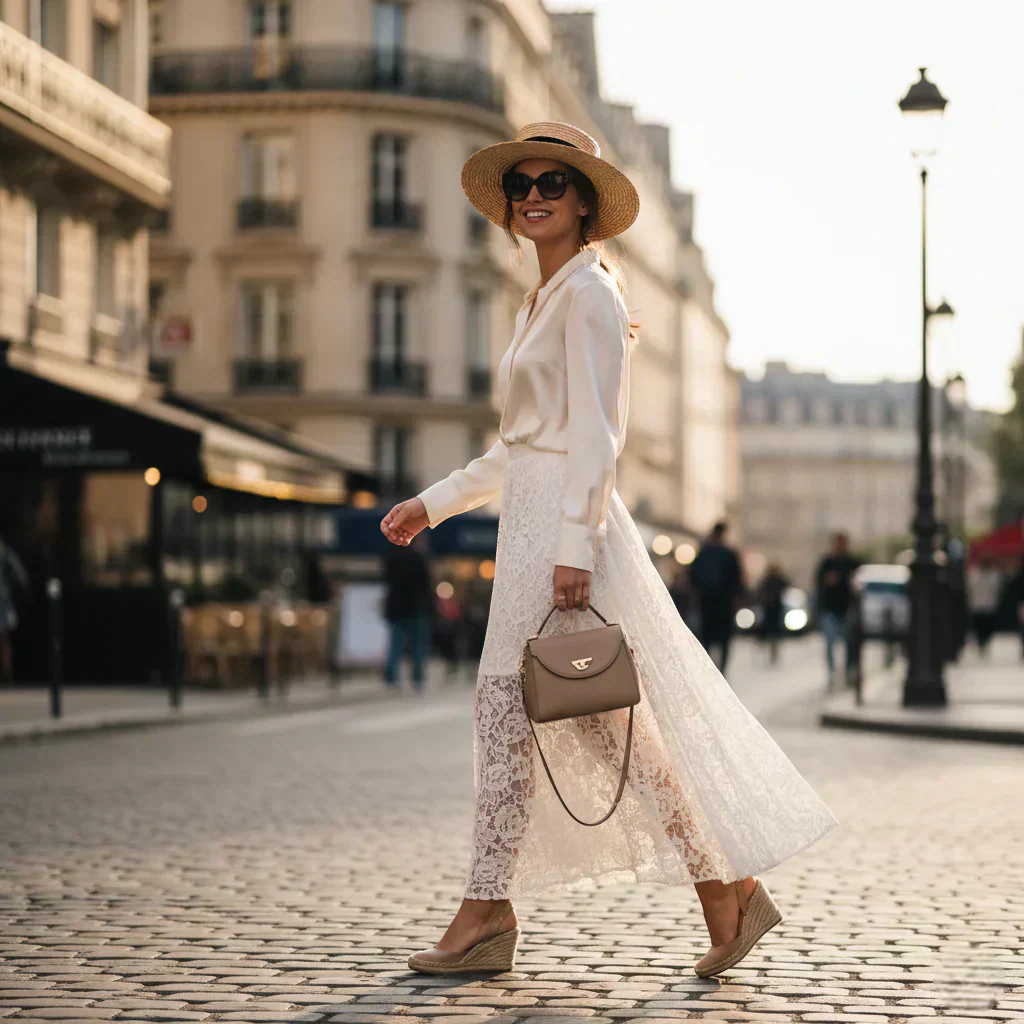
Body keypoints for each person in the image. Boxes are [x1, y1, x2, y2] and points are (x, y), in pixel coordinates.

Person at [380, 121, 836, 979]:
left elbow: (599, 434)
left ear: (585, 203)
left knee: (518, 714)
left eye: (554, 183)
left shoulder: (591, 292)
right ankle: (722, 893)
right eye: (522, 185)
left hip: (563, 525)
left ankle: (489, 911)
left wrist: (576, 546)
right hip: (534, 514)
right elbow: (515, 447)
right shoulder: (543, 299)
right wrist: (432, 504)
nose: (534, 196)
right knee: (594, 724)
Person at [381, 530, 434, 693]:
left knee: (395, 645)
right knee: (418, 647)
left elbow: (387, 580)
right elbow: (426, 585)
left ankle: (391, 679)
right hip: (416, 609)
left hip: (397, 608)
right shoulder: (419, 558)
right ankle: (417, 680)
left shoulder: (392, 557)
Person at [688, 522, 744, 674]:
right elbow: (737, 580)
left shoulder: (703, 553)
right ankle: (722, 671)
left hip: (706, 602)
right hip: (725, 603)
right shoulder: (729, 554)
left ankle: (707, 670)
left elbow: (692, 577)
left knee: (707, 637)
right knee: (724, 640)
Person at [813, 532, 861, 689]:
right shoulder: (827, 562)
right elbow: (818, 585)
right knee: (830, 642)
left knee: (850, 642)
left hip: (847, 608)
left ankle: (848, 669)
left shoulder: (852, 562)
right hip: (829, 610)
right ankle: (832, 672)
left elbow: (860, 582)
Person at [0, 535, 29, 684]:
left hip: (3, 601)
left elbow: (20, 576)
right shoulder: (6, 554)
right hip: (4, 599)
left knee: (4, 639)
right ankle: (6, 674)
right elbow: (21, 577)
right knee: (4, 639)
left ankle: (6, 674)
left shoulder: (6, 555)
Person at [966, 556, 1003, 656]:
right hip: (978, 605)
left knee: (987, 626)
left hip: (988, 606)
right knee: (979, 626)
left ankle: (984, 642)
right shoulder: (974, 574)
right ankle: (981, 642)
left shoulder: (993, 574)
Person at [757, 564, 790, 666]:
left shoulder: (775, 581)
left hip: (775, 609)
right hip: (770, 609)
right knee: (772, 630)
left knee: (774, 631)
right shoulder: (768, 581)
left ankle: (773, 649)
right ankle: (772, 648)